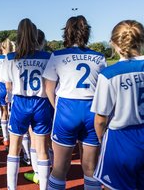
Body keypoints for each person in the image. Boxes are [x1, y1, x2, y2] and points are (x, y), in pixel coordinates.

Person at [43, 16, 106, 190]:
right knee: (91, 170)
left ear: (67, 32)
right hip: (93, 111)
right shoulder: (99, 57)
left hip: (67, 109)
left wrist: (58, 108)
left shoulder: (57, 55)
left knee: (59, 169)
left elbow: (49, 88)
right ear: (87, 33)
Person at [91, 20, 144, 190]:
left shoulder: (109, 74)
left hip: (121, 139)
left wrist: (101, 138)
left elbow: (100, 119)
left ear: (114, 43)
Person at [4, 19, 53, 190]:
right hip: (41, 103)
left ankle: (12, 188)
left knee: (14, 149)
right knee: (42, 150)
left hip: (21, 103)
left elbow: (8, 85)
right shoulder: (48, 57)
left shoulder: (10, 57)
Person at [0, 39, 14, 149]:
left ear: (2, 48)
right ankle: (14, 137)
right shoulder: (15, 57)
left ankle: (5, 138)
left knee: (4, 112)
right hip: (14, 86)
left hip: (1, 85)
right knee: (13, 113)